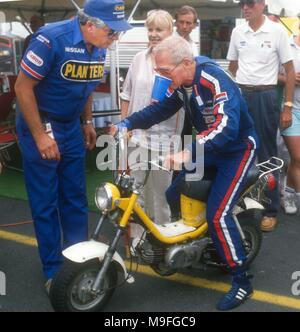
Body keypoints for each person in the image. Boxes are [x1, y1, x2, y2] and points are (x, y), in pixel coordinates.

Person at [109, 35, 258, 311]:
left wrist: (188, 152)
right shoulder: (181, 84)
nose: (161, 76)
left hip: (237, 150)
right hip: (209, 148)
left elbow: (228, 127)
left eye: (165, 71)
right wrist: (127, 122)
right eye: (159, 71)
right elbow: (160, 109)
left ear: (187, 63)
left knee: (218, 215)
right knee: (172, 191)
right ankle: (191, 246)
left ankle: (242, 282)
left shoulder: (214, 79)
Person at [14, 0, 131, 291]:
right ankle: (53, 270)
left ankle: (78, 260)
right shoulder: (51, 39)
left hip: (71, 125)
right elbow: (21, 87)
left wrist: (88, 122)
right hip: (41, 124)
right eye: (112, 32)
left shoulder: (100, 45)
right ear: (90, 25)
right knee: (46, 201)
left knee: (75, 196)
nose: (115, 38)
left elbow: (87, 86)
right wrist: (41, 135)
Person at [227, 0, 295, 232]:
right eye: (242, 4)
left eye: (250, 3)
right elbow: (233, 66)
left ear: (262, 4)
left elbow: (289, 71)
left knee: (267, 154)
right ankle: (241, 203)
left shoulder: (277, 31)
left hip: (266, 97)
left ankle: (270, 209)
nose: (245, 7)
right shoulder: (238, 31)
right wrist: (245, 84)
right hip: (242, 95)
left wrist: (286, 107)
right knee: (239, 151)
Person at [120, 10, 183, 225]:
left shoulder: (179, 61)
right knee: (137, 192)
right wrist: (124, 125)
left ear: (170, 31)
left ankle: (163, 240)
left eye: (159, 29)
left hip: (164, 140)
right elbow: (126, 94)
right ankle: (140, 240)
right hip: (136, 137)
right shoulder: (139, 59)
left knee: (162, 195)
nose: (154, 34)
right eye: (150, 29)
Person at [279, 25, 300, 214]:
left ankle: (289, 192)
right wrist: (289, 78)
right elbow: (272, 73)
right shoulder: (286, 43)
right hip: (290, 108)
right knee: (297, 156)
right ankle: (291, 194)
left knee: (296, 159)